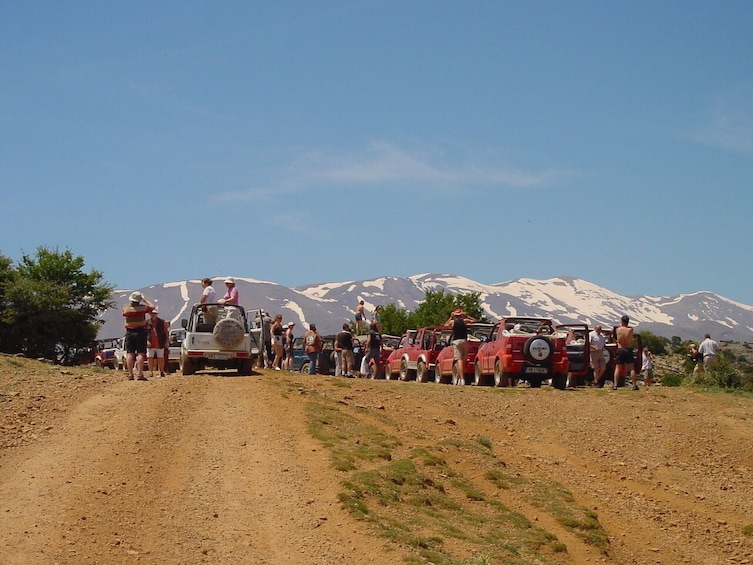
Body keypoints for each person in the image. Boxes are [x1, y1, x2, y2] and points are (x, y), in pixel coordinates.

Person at [122, 291, 155, 381]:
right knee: (140, 353)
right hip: (140, 331)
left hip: (129, 331)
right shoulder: (143, 308)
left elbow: (123, 314)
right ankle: (140, 374)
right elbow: (152, 307)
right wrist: (146, 300)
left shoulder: (126, 308)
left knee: (130, 353)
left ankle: (130, 374)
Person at [444, 309, 477, 385]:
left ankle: (462, 379)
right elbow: (475, 321)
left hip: (456, 341)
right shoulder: (464, 321)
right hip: (464, 341)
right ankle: (460, 378)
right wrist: (467, 316)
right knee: (463, 361)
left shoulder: (452, 322)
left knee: (459, 361)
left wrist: (450, 318)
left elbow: (445, 325)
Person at [614, 315, 638, 390]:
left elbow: (615, 338)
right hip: (628, 349)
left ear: (621, 321)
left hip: (620, 349)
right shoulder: (630, 330)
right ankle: (634, 385)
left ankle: (615, 385)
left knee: (618, 367)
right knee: (631, 367)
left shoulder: (618, 329)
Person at [146, 308, 169, 378]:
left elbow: (166, 333)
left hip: (160, 343)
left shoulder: (162, 322)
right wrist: (146, 341)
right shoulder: (147, 322)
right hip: (150, 343)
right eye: (152, 313)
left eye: (155, 314)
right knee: (150, 357)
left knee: (160, 358)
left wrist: (167, 341)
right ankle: (150, 372)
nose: (153, 315)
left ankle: (161, 371)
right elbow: (144, 333)